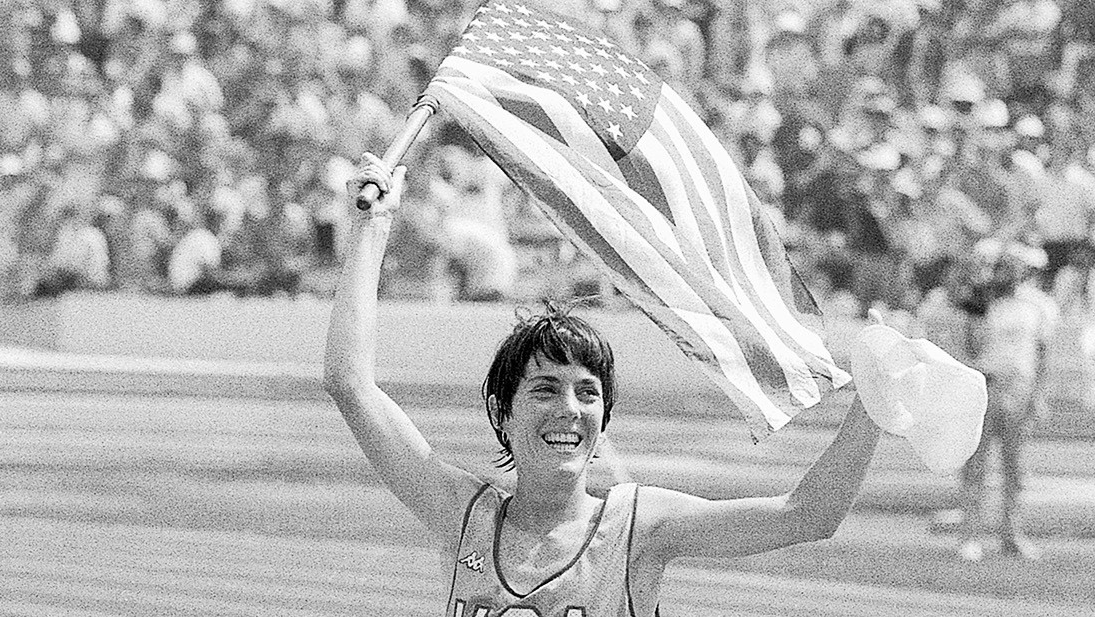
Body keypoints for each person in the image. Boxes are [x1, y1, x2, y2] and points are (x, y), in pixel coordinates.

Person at [324, 153, 884, 614]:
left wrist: (872, 407)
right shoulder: (462, 514)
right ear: (502, 412)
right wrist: (371, 228)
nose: (569, 408)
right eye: (544, 389)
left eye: (587, 392)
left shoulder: (640, 527)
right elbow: (351, 383)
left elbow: (805, 515)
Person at [957, 239, 1057, 561]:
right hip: (984, 386)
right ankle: (970, 535)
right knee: (976, 465)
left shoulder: (1037, 305)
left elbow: (1042, 354)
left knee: (1015, 469)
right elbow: (970, 346)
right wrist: (977, 304)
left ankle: (1011, 534)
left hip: (1019, 388)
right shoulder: (981, 302)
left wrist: (1038, 395)